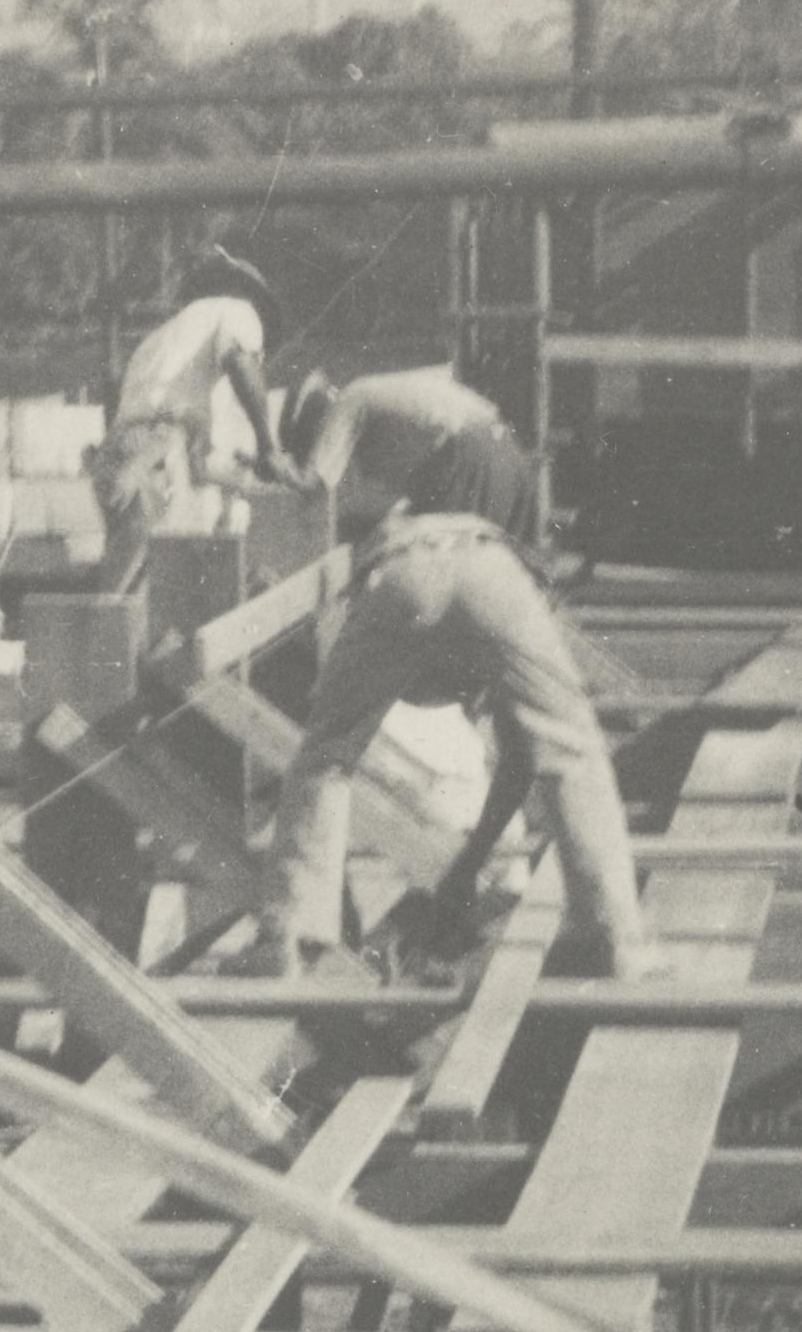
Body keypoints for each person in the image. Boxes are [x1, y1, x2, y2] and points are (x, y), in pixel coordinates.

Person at [268, 419, 665, 983]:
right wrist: (473, 860)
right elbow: (527, 758)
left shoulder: (398, 527)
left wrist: (468, 862)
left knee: (324, 759)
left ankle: (290, 938)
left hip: (399, 568)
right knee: (575, 752)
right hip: (490, 570)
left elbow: (330, 727)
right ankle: (618, 940)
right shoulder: (506, 569)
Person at [95, 247, 283, 582]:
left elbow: (197, 466)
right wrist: (270, 447)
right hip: (156, 452)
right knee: (143, 594)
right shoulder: (238, 311)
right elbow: (241, 361)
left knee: (128, 587)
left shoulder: (163, 339)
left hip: (123, 452)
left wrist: (239, 480)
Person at [278, 362, 547, 553]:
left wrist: (276, 467)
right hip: (506, 450)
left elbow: (312, 483)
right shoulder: (382, 400)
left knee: (445, 575)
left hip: (471, 458)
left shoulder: (350, 399)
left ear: (316, 415)